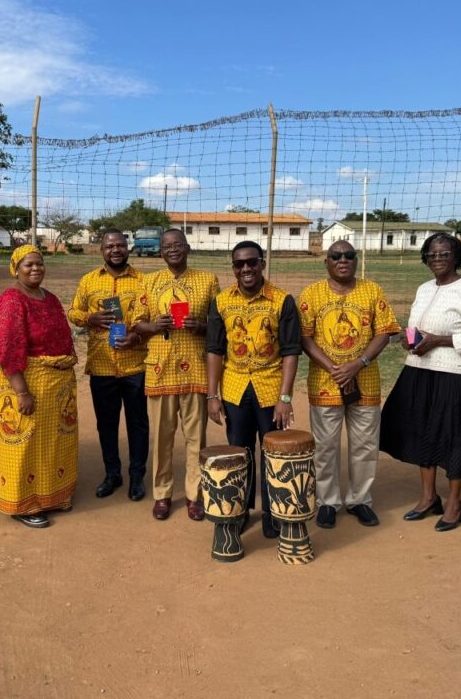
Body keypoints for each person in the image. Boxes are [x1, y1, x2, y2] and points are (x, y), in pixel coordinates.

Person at [379, 232, 461, 532]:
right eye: (432, 254)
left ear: (457, 257)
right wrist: (410, 340)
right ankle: (429, 497)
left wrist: (439, 341)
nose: (437, 259)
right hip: (419, 369)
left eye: (444, 254)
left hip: (454, 373)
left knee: (453, 436)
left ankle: (454, 502)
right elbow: (417, 328)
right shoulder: (424, 288)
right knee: (421, 431)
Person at [299, 241, 400, 529]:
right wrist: (331, 367)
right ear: (326, 262)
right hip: (325, 382)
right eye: (335, 256)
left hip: (364, 381)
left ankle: (359, 500)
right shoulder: (311, 294)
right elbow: (305, 337)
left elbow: (384, 333)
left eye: (349, 255)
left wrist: (359, 363)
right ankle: (327, 501)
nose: (342, 260)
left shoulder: (372, 291)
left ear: (356, 260)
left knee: (365, 444)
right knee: (325, 446)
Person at [206, 240, 300, 538]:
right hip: (235, 388)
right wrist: (212, 395)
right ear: (233, 268)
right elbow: (214, 350)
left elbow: (291, 351)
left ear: (262, 264)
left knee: (273, 452)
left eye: (251, 262)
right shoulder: (221, 302)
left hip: (270, 388)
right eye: (239, 264)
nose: (245, 268)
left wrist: (285, 397)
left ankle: (273, 511)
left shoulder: (282, 300)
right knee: (240, 451)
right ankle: (242, 509)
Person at [0, 244, 78, 528]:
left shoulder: (50, 298)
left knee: (52, 443)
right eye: (28, 264)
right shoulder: (12, 301)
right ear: (16, 269)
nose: (36, 269)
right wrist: (21, 392)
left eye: (39, 263)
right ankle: (24, 503)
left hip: (54, 386)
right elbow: (6, 350)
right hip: (24, 383)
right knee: (23, 444)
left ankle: (52, 496)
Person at [134, 229, 220, 521]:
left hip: (196, 369)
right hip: (161, 370)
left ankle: (195, 495)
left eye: (178, 245)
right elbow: (137, 324)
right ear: (161, 252)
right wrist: (155, 326)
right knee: (162, 438)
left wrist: (202, 326)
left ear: (188, 248)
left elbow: (219, 324)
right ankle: (162, 494)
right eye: (167, 246)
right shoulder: (149, 281)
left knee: (196, 438)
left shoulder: (207, 280)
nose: (173, 250)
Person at [68, 230, 149, 501]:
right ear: (101, 250)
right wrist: (89, 318)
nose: (115, 250)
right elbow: (73, 312)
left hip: (135, 365)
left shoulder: (143, 281)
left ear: (128, 248)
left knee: (138, 424)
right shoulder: (89, 280)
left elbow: (149, 317)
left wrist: (136, 336)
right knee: (106, 424)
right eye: (109, 246)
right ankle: (112, 474)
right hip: (102, 366)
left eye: (120, 245)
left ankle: (137, 476)